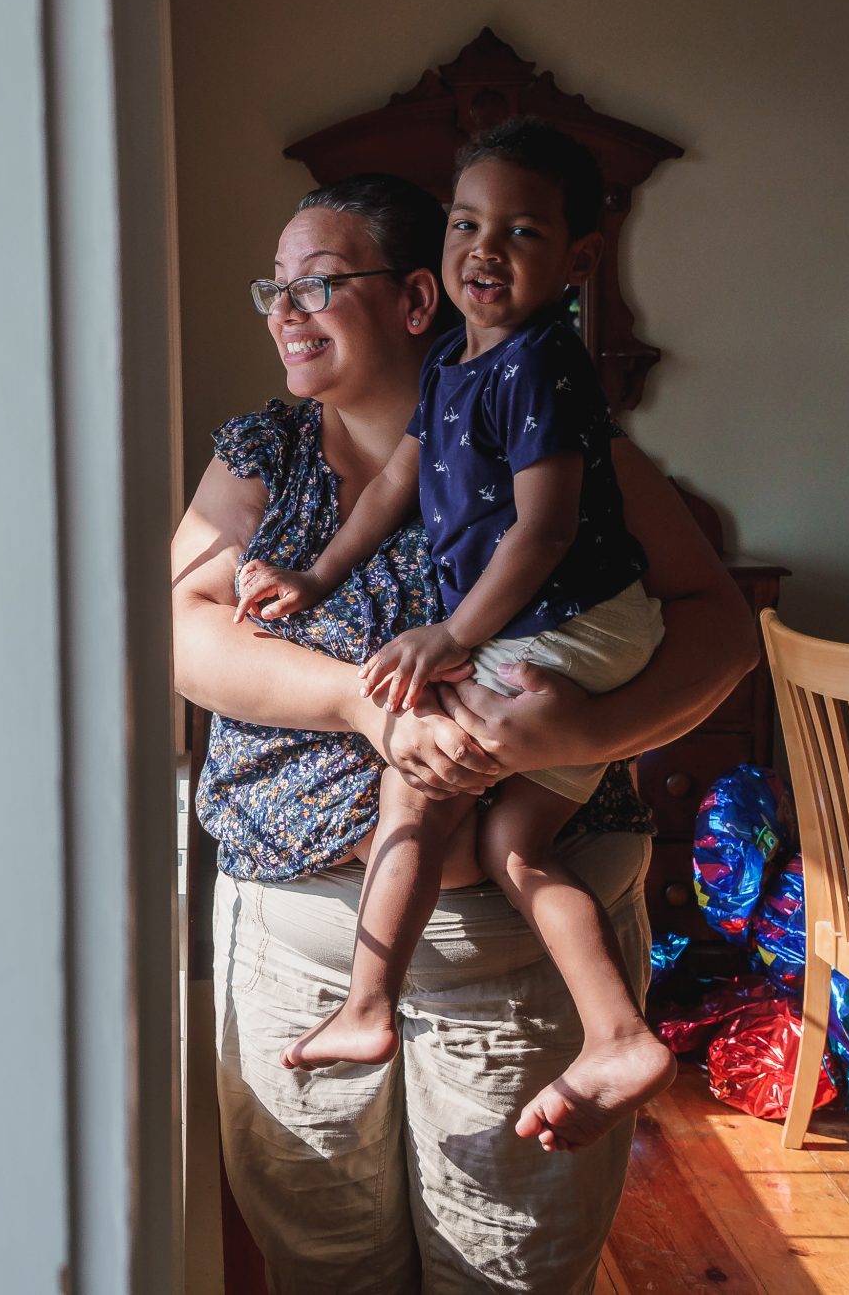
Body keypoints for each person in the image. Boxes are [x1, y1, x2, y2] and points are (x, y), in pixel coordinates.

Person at [172, 171, 755, 1293]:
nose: (283, 311)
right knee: (322, 1267)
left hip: (511, 962)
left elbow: (722, 632)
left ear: (417, 300)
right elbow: (184, 640)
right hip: (294, 941)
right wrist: (353, 701)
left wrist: (574, 732)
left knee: (508, 1273)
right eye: (272, 288)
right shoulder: (263, 456)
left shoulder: (566, 445)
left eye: (318, 283)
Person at [235, 121, 673, 1147]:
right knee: (515, 843)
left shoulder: (538, 366)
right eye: (467, 224)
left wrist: (449, 635)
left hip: (576, 622)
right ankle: (617, 1032)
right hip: (542, 629)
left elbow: (548, 529)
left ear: (574, 262)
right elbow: (396, 484)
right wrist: (315, 572)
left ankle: (365, 1003)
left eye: (518, 230)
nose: (484, 247)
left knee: (417, 768)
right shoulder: (452, 373)